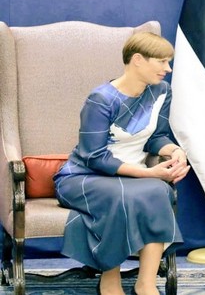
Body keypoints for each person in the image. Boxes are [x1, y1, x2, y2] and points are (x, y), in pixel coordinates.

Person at [54, 32, 190, 295]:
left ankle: (146, 283)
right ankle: (110, 278)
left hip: (131, 176)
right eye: (161, 61)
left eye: (168, 62)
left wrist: (175, 151)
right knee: (119, 195)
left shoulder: (161, 91)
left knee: (159, 191)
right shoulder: (101, 99)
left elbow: (157, 137)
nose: (168, 68)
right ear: (138, 60)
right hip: (83, 176)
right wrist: (147, 172)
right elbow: (94, 156)